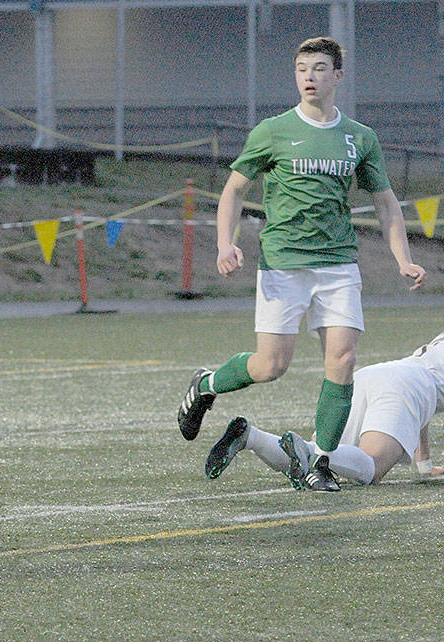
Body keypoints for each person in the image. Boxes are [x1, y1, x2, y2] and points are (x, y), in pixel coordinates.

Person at [178, 36, 426, 492]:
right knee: (271, 365)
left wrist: (403, 259)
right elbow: (234, 191)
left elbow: (386, 202)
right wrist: (224, 245)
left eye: (318, 68)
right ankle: (208, 383)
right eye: (301, 69)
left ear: (337, 76)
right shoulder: (272, 131)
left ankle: (320, 461)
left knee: (343, 359)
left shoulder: (360, 137)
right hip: (283, 264)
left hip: (337, 265)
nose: (308, 77)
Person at [205, 332, 444, 487]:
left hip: (377, 374)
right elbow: (422, 395)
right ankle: (302, 448)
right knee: (371, 468)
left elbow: (422, 409)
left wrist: (424, 464)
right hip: (410, 386)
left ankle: (253, 437)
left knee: (324, 459)